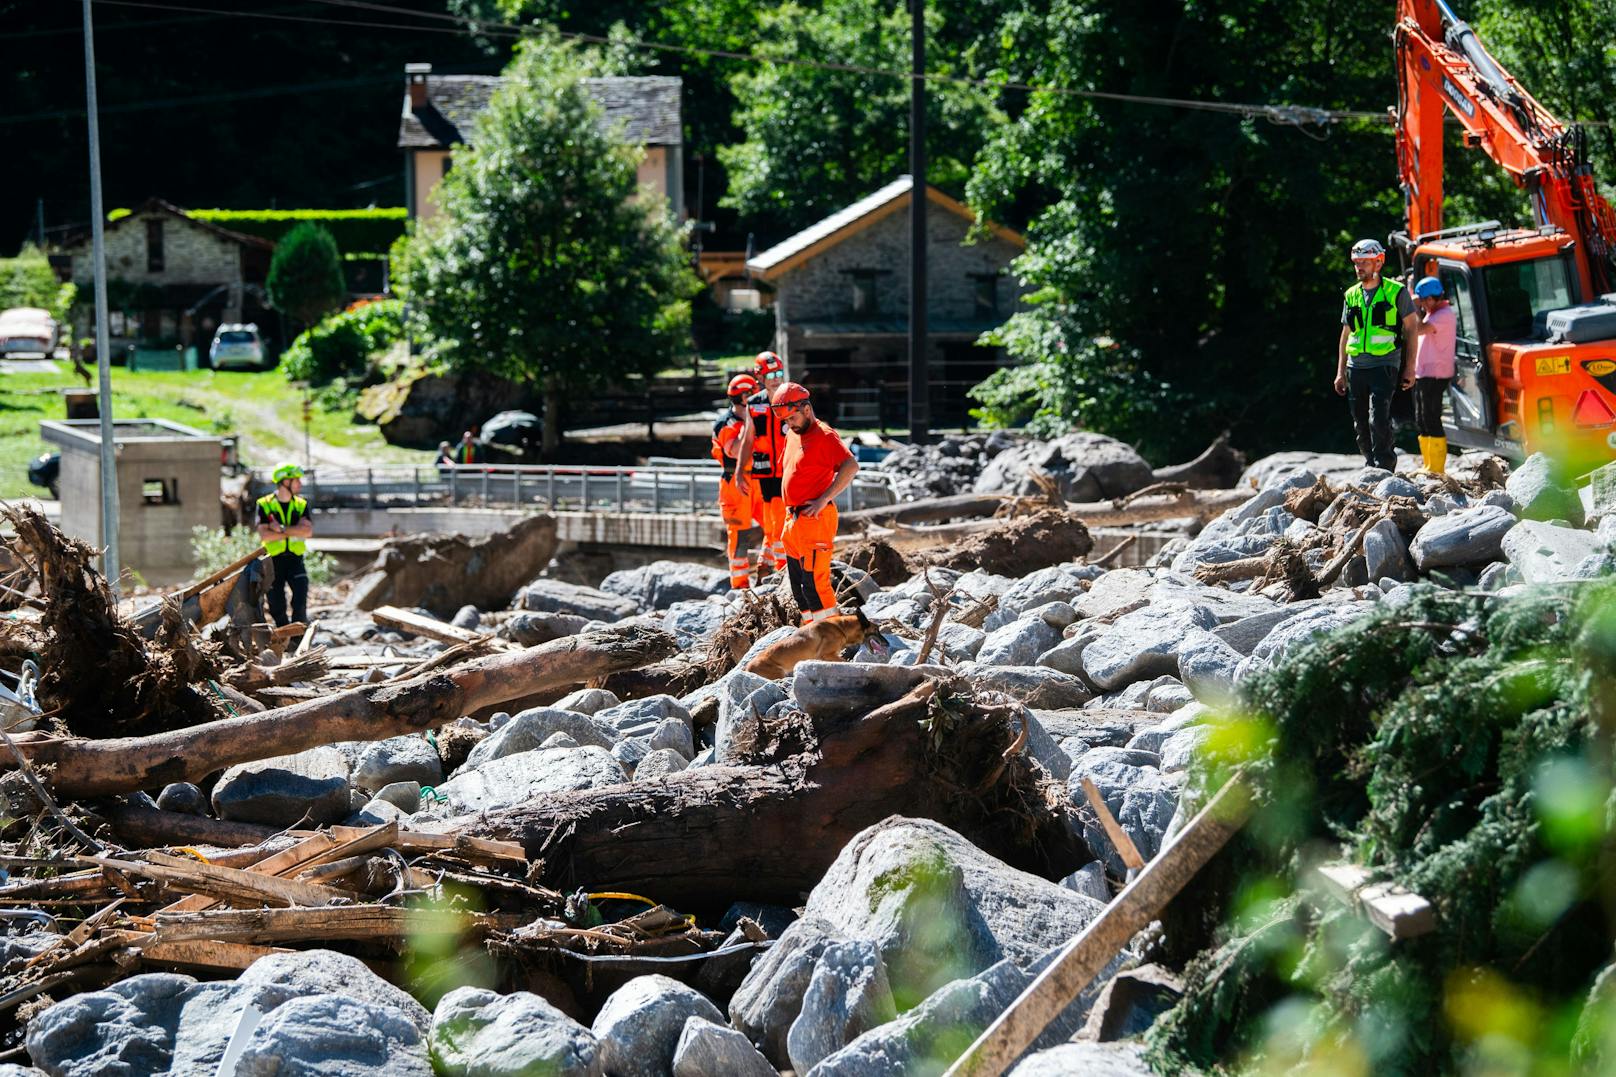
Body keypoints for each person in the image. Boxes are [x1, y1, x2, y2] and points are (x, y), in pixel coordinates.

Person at [772, 382, 859, 624]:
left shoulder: (825, 436)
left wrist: (823, 499)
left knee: (815, 585)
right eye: (786, 421)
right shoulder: (793, 434)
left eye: (792, 418)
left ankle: (833, 637)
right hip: (793, 520)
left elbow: (851, 466)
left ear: (806, 409)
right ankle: (812, 634)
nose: (789, 424)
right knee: (799, 588)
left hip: (815, 519)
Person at [1336, 238, 1418, 471]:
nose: (1359, 267)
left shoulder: (1396, 292)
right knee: (1360, 424)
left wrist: (1410, 367)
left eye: (1364, 262)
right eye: (1356, 262)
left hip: (1384, 364)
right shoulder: (1351, 295)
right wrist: (1340, 372)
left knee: (1379, 418)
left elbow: (1412, 330)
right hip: (1355, 367)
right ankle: (1369, 464)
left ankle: (1385, 466)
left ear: (1379, 262)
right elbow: (1346, 334)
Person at [736, 351, 790, 576]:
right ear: (759, 377)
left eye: (779, 373)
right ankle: (773, 564)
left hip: (789, 469)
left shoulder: (791, 398)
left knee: (784, 518)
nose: (776, 378)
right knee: (772, 520)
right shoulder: (754, 404)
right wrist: (739, 471)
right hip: (765, 471)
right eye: (771, 374)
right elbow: (748, 439)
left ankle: (778, 565)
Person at [713, 373, 762, 589]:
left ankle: (769, 568)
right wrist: (749, 426)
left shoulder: (759, 416)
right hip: (735, 482)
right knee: (740, 534)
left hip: (759, 479)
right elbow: (733, 451)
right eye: (753, 392)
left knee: (775, 525)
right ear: (744, 397)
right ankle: (740, 584)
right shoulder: (726, 423)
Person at [256, 462, 313, 626]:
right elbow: (265, 534)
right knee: (276, 604)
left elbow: (307, 532)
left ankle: (298, 637)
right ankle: (283, 635)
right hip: (273, 561)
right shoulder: (264, 504)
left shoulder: (301, 504)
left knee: (300, 598)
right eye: (296, 480)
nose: (300, 484)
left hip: (295, 559)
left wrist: (280, 529)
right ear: (284, 482)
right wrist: (295, 529)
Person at [1410, 275, 1456, 473]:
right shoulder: (1433, 313)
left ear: (1430, 299)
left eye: (1423, 301)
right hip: (1424, 373)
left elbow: (1417, 329)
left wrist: (1413, 308)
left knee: (1431, 417)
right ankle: (1428, 465)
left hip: (1436, 374)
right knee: (1422, 418)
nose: (1422, 305)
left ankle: (1437, 469)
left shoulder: (1444, 315)